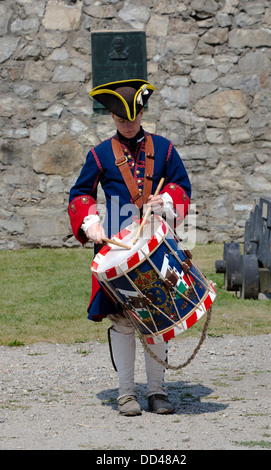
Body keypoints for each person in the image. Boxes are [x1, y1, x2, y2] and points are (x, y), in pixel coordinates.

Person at [68, 79, 191, 416]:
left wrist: (165, 199)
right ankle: (126, 394)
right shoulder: (100, 154)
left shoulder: (164, 149)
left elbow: (183, 187)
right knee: (122, 317)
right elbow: (80, 194)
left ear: (141, 115)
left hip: (157, 244)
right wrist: (90, 222)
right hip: (118, 247)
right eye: (122, 120)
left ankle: (157, 391)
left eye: (133, 119)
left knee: (157, 315)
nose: (128, 125)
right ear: (112, 118)